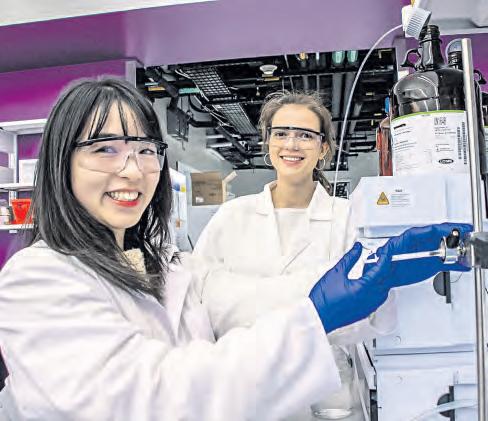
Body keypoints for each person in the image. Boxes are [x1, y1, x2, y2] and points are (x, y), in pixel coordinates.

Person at [0, 79, 470, 421]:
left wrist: (375, 273)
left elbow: (247, 300)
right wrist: (318, 312)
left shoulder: (166, 264)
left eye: (145, 150)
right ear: (61, 160)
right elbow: (151, 398)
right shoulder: (37, 280)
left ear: (324, 148)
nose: (133, 169)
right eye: (105, 149)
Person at [188, 90, 472, 417]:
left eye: (305, 135)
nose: (292, 144)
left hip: (330, 396)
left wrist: (246, 304)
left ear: (323, 148)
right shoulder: (231, 217)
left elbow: (370, 315)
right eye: (281, 133)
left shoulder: (349, 216)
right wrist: (318, 307)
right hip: (245, 391)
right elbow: (199, 306)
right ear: (267, 141)